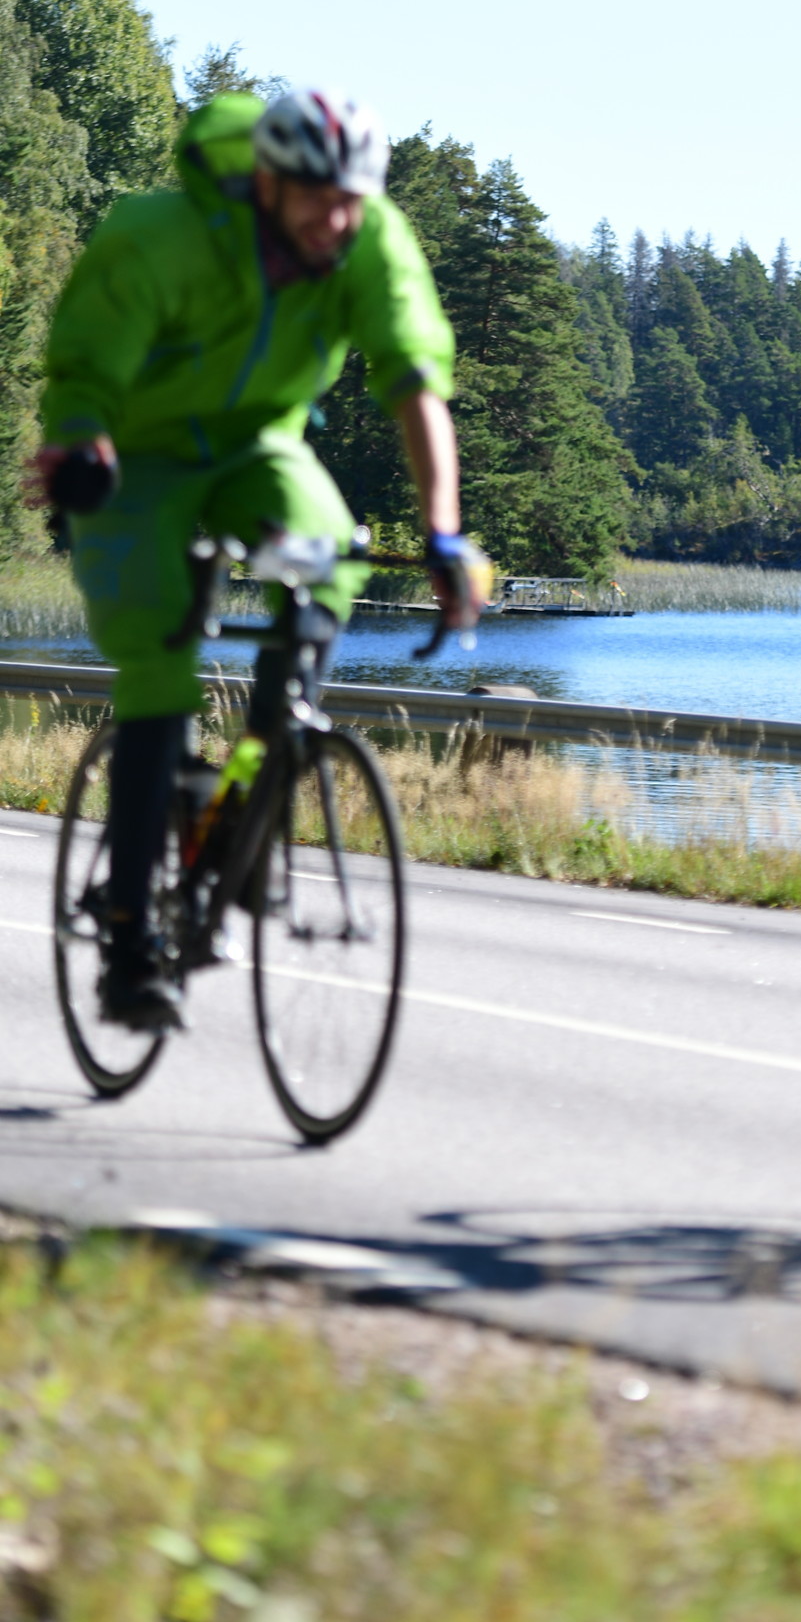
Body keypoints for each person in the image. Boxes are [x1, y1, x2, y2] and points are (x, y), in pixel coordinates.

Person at [34, 88, 491, 1032]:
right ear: (267, 184)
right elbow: (87, 360)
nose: (336, 220)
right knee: (158, 655)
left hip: (259, 448)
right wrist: (79, 441)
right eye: (318, 199)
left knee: (334, 558)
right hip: (138, 461)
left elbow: (416, 381)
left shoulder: (369, 241)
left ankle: (253, 777)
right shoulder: (162, 235)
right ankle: (128, 937)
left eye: (351, 201)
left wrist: (444, 534)